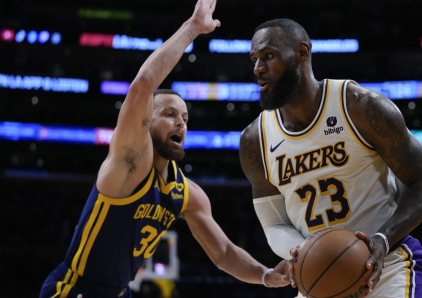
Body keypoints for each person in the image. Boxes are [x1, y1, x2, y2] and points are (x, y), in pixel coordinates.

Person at [40, 1, 290, 297]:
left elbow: (223, 253)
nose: (181, 123)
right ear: (146, 122)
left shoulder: (187, 194)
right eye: (169, 114)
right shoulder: (130, 160)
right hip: (75, 289)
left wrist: (265, 276)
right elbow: (144, 83)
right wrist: (193, 27)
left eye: (185, 118)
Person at [239, 18, 422, 297]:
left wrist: (383, 239)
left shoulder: (359, 106)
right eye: (254, 59)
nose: (258, 69)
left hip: (387, 266)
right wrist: (304, 251)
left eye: (268, 56)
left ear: (302, 53)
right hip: (321, 278)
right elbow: (274, 224)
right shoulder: (254, 141)